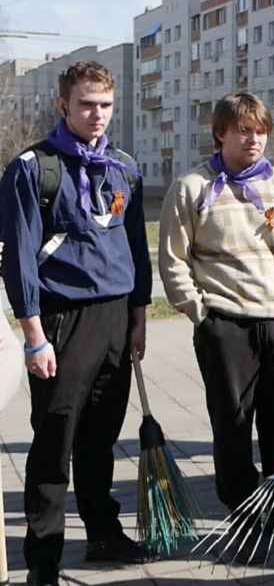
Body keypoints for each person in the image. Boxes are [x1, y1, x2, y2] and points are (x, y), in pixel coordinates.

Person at [0, 61, 156, 586]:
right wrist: (33, 337)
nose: (97, 114)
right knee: (54, 442)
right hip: (62, 321)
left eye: (105, 104)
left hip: (116, 318)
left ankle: (102, 533)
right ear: (62, 105)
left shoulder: (123, 167)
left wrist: (138, 318)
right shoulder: (33, 168)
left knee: (100, 439)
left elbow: (135, 249)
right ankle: (43, 559)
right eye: (86, 104)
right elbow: (18, 258)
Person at [159, 92, 274, 548]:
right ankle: (246, 521)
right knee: (232, 426)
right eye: (243, 130)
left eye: (261, 131)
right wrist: (201, 314)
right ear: (220, 134)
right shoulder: (191, 187)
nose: (254, 139)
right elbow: (173, 260)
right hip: (225, 324)